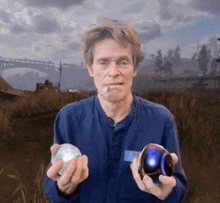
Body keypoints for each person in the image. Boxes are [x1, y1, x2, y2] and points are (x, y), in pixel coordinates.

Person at [44, 20, 187, 203]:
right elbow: (52, 183)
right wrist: (62, 187)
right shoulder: (69, 118)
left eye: (123, 62)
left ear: (134, 69)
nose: (113, 72)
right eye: (103, 62)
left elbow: (178, 186)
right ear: (90, 68)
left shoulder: (161, 120)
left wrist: (168, 192)